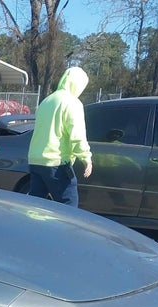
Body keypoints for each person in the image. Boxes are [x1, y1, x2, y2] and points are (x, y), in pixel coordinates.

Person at [27, 66, 92, 207]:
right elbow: (77, 133)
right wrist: (85, 157)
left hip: (36, 160)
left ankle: (33, 227)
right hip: (56, 162)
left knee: (36, 205)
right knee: (68, 204)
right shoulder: (72, 103)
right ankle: (64, 230)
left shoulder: (46, 101)